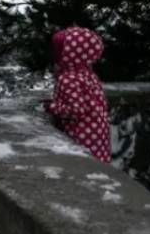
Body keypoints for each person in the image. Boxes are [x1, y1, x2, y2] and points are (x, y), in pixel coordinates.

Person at [45, 26, 111, 162]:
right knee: (98, 166)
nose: (54, 52)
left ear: (68, 53)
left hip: (82, 136)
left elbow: (77, 110)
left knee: (86, 166)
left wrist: (52, 107)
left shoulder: (68, 77)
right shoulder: (87, 74)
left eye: (58, 49)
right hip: (97, 133)